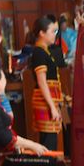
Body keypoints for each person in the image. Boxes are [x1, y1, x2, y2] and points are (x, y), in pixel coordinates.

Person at [0, 64, 60, 166]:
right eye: (3, 77)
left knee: (52, 160)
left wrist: (32, 146)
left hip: (4, 157)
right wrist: (32, 145)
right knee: (51, 163)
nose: (5, 81)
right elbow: (5, 138)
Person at [28, 15, 64, 151]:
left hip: (48, 102)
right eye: (51, 31)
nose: (54, 35)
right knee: (48, 142)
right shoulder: (38, 52)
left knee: (50, 139)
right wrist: (52, 107)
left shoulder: (44, 51)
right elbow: (42, 82)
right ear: (42, 33)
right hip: (44, 103)